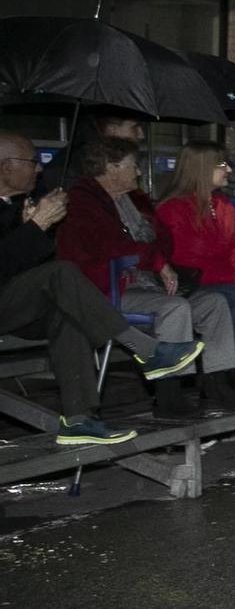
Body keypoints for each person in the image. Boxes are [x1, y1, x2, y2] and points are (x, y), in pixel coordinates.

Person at [0, 132, 203, 443]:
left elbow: (24, 265)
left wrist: (32, 228)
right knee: (62, 273)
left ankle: (80, 419)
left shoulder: (15, 206)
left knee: (69, 316)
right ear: (5, 166)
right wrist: (35, 227)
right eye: (31, 162)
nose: (38, 169)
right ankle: (146, 350)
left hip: (17, 305)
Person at [57, 137, 235, 414]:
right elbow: (113, 248)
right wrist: (156, 260)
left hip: (145, 286)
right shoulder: (83, 205)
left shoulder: (133, 202)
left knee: (214, 304)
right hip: (107, 289)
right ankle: (169, 394)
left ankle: (216, 382)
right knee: (174, 308)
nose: (140, 172)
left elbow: (164, 242)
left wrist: (153, 241)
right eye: (134, 165)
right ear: (112, 167)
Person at [155, 141, 235, 398]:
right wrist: (230, 276)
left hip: (224, 278)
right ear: (202, 168)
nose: (229, 171)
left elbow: (233, 248)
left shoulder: (223, 205)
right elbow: (183, 258)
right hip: (195, 282)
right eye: (222, 165)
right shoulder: (173, 208)